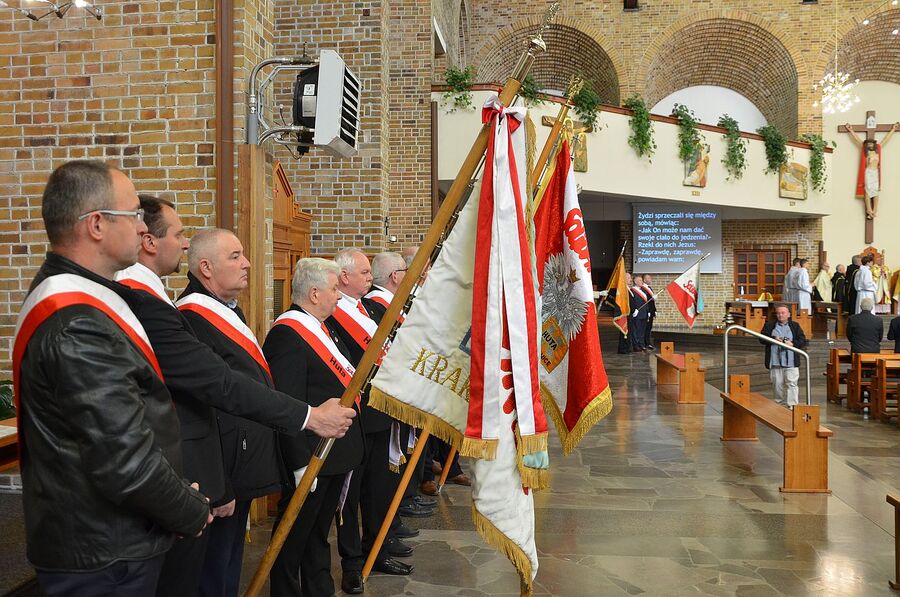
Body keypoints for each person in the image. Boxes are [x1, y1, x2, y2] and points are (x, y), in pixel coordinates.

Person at [115, 196, 355, 596]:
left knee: (223, 570)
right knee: (208, 577)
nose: (246, 264)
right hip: (213, 470)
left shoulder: (216, 309)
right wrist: (308, 417)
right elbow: (217, 389)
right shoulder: (178, 310)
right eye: (235, 256)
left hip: (233, 466)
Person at [14, 161, 211, 595]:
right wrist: (190, 510)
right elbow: (125, 460)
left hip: (112, 539)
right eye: (134, 214)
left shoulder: (87, 299)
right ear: (97, 225)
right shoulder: (76, 322)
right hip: (103, 553)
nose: (143, 227)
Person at [174, 228, 284, 597]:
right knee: (213, 571)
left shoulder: (225, 310)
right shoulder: (193, 316)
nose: (247, 263)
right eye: (235, 256)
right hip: (221, 471)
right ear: (205, 268)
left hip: (241, 463)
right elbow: (207, 405)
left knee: (229, 564)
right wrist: (220, 484)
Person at [262, 258, 366, 597]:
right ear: (315, 293)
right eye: (334, 289)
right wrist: (299, 463)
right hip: (311, 456)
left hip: (333, 454)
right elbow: (286, 403)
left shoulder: (324, 327)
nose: (338, 296)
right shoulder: (288, 334)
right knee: (293, 536)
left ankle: (319, 588)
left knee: (317, 532)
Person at [330, 249, 414, 593]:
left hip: (380, 410)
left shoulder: (365, 308)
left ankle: (377, 549)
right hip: (356, 417)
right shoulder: (334, 315)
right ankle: (352, 563)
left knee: (378, 487)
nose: (370, 277)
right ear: (344, 277)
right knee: (349, 498)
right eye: (364, 272)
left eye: (369, 272)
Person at [845, 122, 899, 219]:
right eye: (868, 143)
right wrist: (851, 130)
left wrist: (893, 129)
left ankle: (874, 211)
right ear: (866, 144)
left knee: (876, 192)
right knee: (868, 191)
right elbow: (857, 139)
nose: (870, 144)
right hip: (868, 173)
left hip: (875, 173)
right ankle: (869, 210)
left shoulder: (878, 149)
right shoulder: (866, 152)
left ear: (874, 144)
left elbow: (886, 139)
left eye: (871, 143)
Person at [760, 304, 808, 408]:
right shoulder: (769, 324)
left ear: (788, 314)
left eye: (783, 313)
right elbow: (761, 338)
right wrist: (773, 339)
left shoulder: (795, 326)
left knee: (792, 383)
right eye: (778, 313)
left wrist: (792, 344)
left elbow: (803, 340)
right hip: (775, 361)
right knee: (777, 384)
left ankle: (792, 406)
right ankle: (779, 405)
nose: (780, 315)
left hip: (791, 361)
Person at [630, 274, 649, 352]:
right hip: (637, 313)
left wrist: (648, 311)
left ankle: (642, 344)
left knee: (642, 330)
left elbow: (646, 302)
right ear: (635, 281)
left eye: (641, 280)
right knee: (636, 330)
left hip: (644, 313)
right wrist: (634, 310)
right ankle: (636, 345)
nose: (642, 282)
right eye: (640, 280)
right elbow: (632, 302)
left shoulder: (643, 291)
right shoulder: (632, 291)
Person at [641, 274, 657, 350]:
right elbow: (645, 301)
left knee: (649, 328)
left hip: (651, 311)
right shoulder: (642, 289)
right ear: (644, 280)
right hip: (647, 311)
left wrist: (654, 310)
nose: (650, 279)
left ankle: (648, 343)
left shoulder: (649, 288)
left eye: (650, 278)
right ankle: (644, 343)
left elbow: (652, 301)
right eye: (648, 278)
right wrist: (648, 311)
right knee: (645, 328)